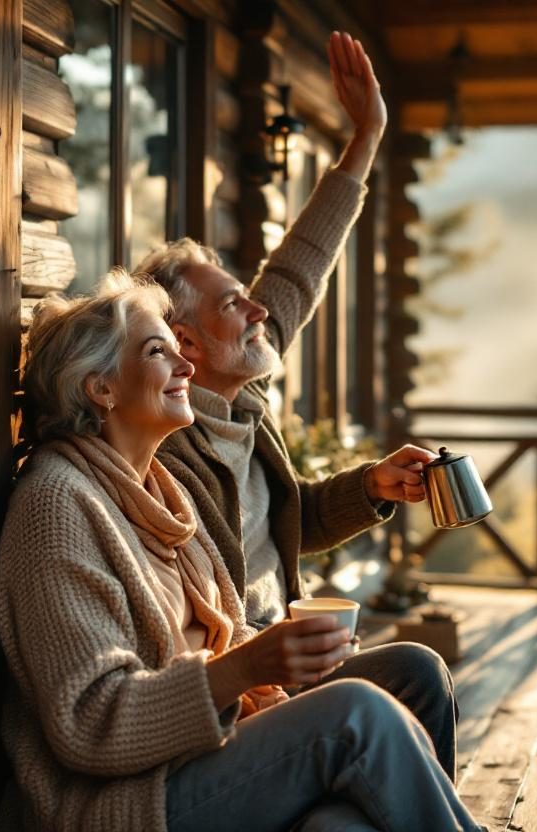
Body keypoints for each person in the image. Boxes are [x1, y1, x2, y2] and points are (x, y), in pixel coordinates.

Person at [0, 271, 483, 831]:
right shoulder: (57, 505)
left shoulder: (160, 491)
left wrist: (262, 669)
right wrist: (247, 667)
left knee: (410, 676)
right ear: (100, 388)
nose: (186, 368)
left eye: (181, 351)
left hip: (214, 744)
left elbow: (225, 629)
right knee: (355, 714)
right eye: (160, 352)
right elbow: (90, 724)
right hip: (132, 801)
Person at [137, 32, 459, 777]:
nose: (258, 309)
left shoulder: (244, 403)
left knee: (420, 671)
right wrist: (254, 673)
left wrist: (371, 486)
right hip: (242, 690)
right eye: (232, 303)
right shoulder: (158, 445)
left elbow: (302, 264)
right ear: (182, 343)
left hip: (291, 661)